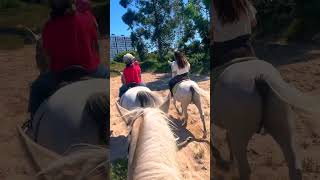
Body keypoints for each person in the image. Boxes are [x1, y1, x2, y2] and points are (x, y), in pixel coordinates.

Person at [28, 0, 108, 119]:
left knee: (36, 88)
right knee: (107, 74)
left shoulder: (49, 26)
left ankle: (33, 124)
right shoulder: (88, 18)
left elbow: (47, 56)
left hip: (61, 75)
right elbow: (95, 43)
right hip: (91, 70)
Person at [212, 0, 257, 68]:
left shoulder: (214, 4)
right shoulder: (243, 2)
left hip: (222, 52)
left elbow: (211, 31)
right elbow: (254, 23)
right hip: (245, 48)